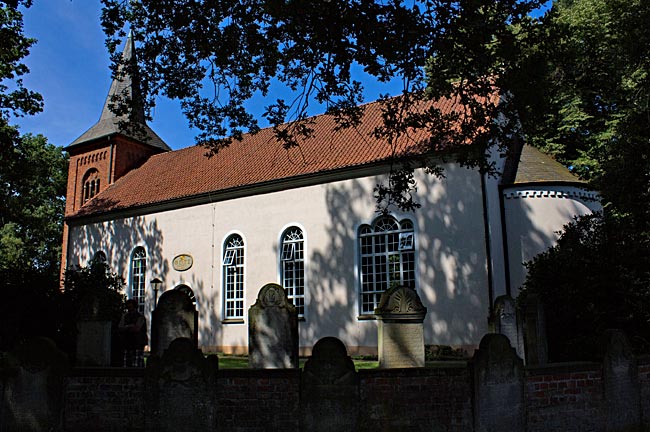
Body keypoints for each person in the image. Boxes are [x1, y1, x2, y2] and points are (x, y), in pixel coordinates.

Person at [119, 299, 148, 367]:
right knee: (128, 361)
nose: (129, 310)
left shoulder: (140, 317)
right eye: (128, 308)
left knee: (137, 361)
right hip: (128, 341)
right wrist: (130, 326)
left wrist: (126, 327)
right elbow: (120, 327)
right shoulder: (126, 316)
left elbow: (137, 328)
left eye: (131, 308)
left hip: (137, 341)